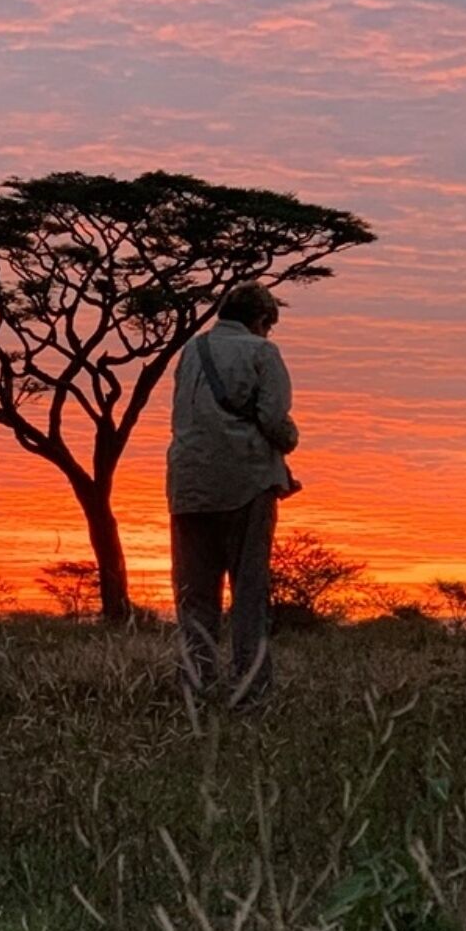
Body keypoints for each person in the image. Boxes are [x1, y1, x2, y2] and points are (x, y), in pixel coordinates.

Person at [166, 282, 299, 707]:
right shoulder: (263, 353)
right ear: (261, 321)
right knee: (249, 594)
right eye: (268, 326)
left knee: (195, 596)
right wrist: (290, 439)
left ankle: (195, 687)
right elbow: (274, 420)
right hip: (247, 483)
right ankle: (250, 691)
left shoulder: (191, 351)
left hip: (188, 485)